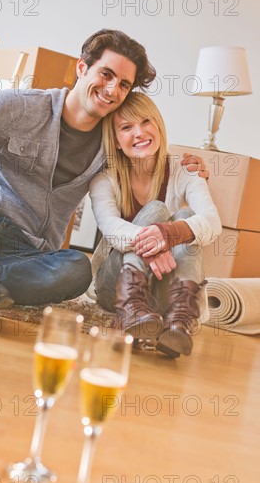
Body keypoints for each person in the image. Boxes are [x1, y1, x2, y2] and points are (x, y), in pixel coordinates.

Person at [0, 29, 208, 320]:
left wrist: (184, 166)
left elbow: (145, 156)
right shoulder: (25, 107)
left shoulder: (111, 141)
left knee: (77, 269)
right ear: (82, 67)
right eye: (106, 74)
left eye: (124, 84)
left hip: (29, 255)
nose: (113, 90)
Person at [89, 91, 221, 358]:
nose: (139, 132)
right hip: (114, 288)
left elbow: (212, 221)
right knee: (157, 210)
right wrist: (158, 243)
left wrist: (169, 234)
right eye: (127, 127)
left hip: (162, 291)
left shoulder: (185, 171)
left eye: (146, 122)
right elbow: (111, 228)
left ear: (158, 125)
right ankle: (131, 309)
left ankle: (178, 320)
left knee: (185, 222)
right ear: (116, 140)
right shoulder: (104, 178)